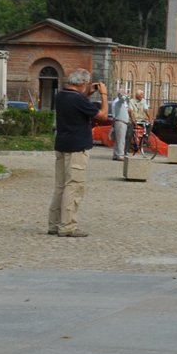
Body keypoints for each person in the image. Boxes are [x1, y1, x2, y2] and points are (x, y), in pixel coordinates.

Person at [48, 69, 108, 238]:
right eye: (87, 84)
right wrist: (103, 94)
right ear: (83, 83)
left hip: (62, 144)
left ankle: (54, 224)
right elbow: (103, 115)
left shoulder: (61, 96)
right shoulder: (77, 99)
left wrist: (86, 94)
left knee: (60, 186)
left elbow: (78, 107)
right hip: (77, 147)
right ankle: (67, 226)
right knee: (74, 186)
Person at [109, 88, 130, 161]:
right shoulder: (118, 101)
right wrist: (126, 96)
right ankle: (120, 155)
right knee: (121, 140)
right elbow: (125, 99)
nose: (126, 94)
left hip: (120, 122)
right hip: (120, 122)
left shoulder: (119, 102)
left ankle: (116, 154)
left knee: (118, 139)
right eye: (124, 93)